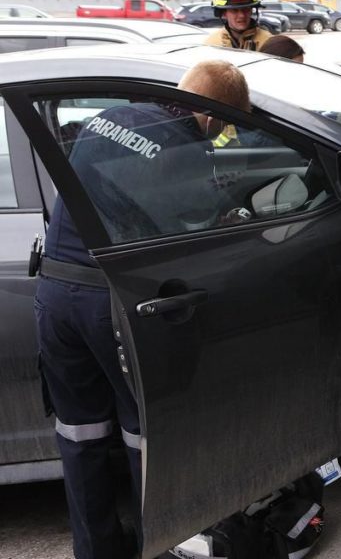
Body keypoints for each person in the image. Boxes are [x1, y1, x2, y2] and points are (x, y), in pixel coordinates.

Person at [35, 60, 251, 559]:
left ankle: (97, 551)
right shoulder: (187, 149)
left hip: (56, 290)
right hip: (108, 303)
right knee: (146, 432)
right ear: (214, 114)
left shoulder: (107, 116)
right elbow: (198, 225)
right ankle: (162, 543)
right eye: (224, 124)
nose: (219, 134)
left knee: (80, 432)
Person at [205, 0, 272, 51]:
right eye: (234, 10)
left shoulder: (268, 42)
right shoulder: (212, 44)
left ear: (251, 11)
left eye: (246, 9)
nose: (242, 15)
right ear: (224, 13)